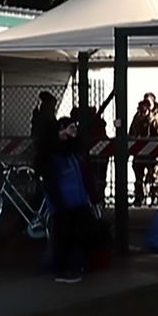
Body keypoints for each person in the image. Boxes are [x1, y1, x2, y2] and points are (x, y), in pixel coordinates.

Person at [47, 117, 94, 283]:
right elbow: (51, 182)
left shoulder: (72, 151)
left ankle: (71, 266)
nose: (73, 131)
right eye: (69, 128)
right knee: (64, 236)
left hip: (76, 200)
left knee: (74, 235)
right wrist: (59, 203)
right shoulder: (55, 155)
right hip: (65, 202)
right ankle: (62, 269)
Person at [128, 94, 158, 206]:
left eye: (148, 103)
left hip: (155, 154)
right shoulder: (137, 117)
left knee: (155, 176)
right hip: (139, 154)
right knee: (138, 176)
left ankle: (155, 196)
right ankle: (139, 197)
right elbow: (131, 132)